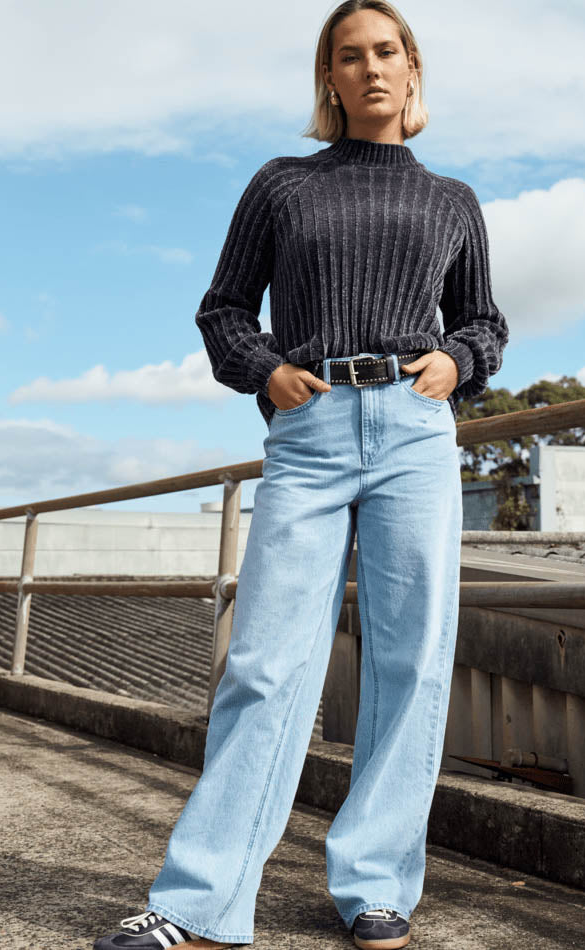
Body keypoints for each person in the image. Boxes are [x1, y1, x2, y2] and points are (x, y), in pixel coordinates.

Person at [94, 1, 508, 948]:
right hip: (311, 428)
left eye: (386, 52)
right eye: (348, 56)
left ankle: (376, 885)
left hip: (413, 430)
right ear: (328, 77)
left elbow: (485, 319)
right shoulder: (282, 185)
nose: (369, 69)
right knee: (264, 664)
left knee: (412, 661)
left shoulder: (453, 199)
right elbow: (223, 309)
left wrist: (461, 361)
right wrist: (268, 372)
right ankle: (200, 903)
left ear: (413, 70)